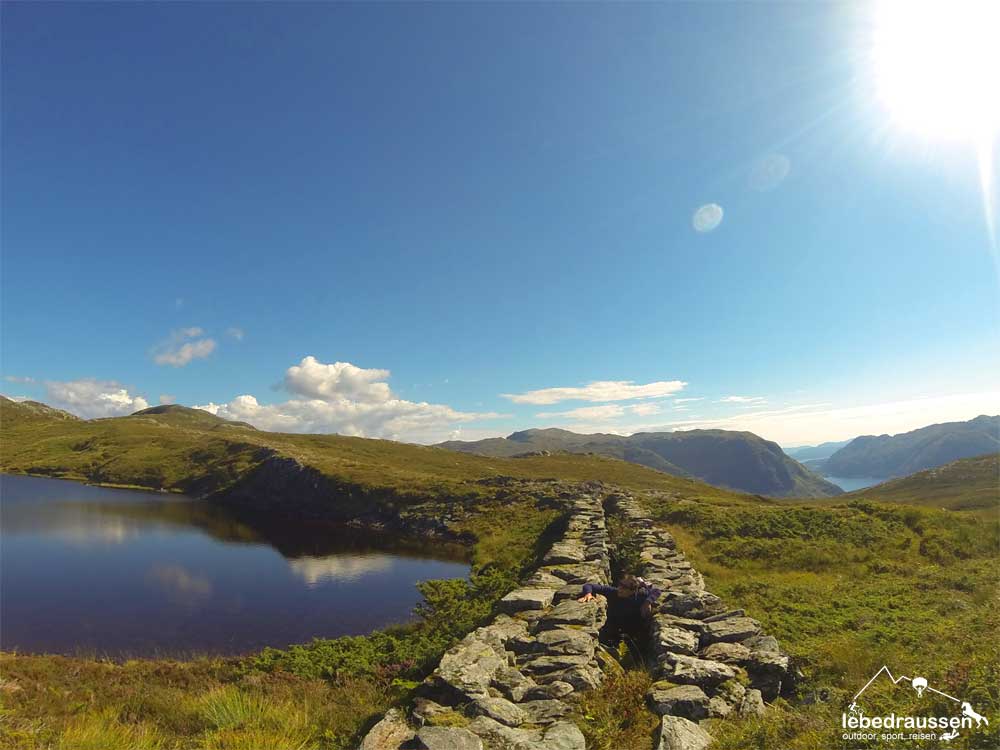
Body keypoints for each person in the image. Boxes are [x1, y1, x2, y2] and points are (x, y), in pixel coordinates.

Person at [577, 574, 663, 650]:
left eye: (624, 587)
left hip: (634, 631)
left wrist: (647, 602)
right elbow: (589, 585)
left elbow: (657, 591)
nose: (620, 589)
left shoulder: (640, 597)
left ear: (633, 591)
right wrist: (588, 594)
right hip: (613, 628)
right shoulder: (613, 592)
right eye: (620, 585)